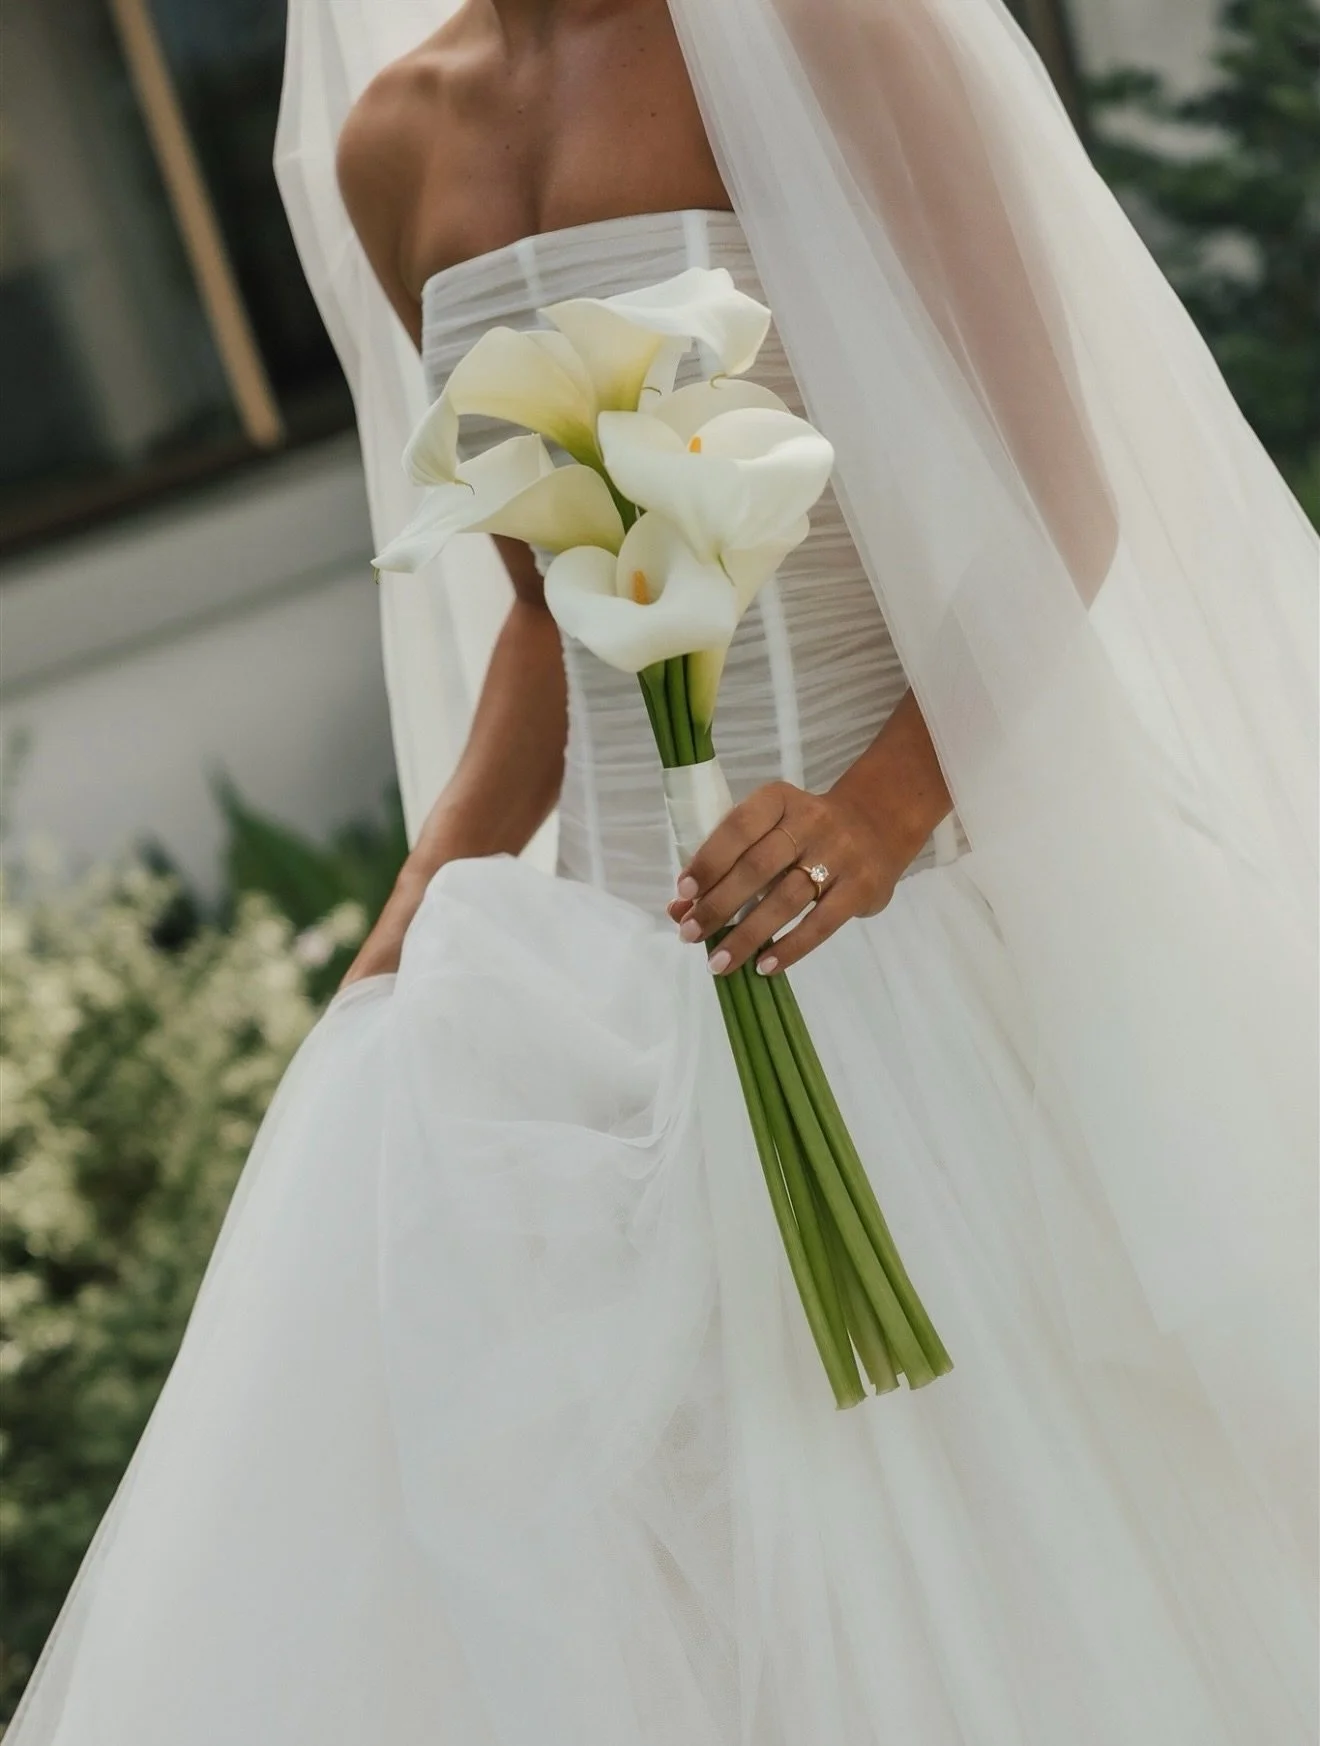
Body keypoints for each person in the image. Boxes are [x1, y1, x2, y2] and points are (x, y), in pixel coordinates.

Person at [11, 2, 1316, 1742]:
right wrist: (392, 963)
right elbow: (548, 637)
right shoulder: (394, 139)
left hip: (898, 938)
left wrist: (877, 810)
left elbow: (1051, 487)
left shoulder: (828, 36)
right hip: (599, 1018)